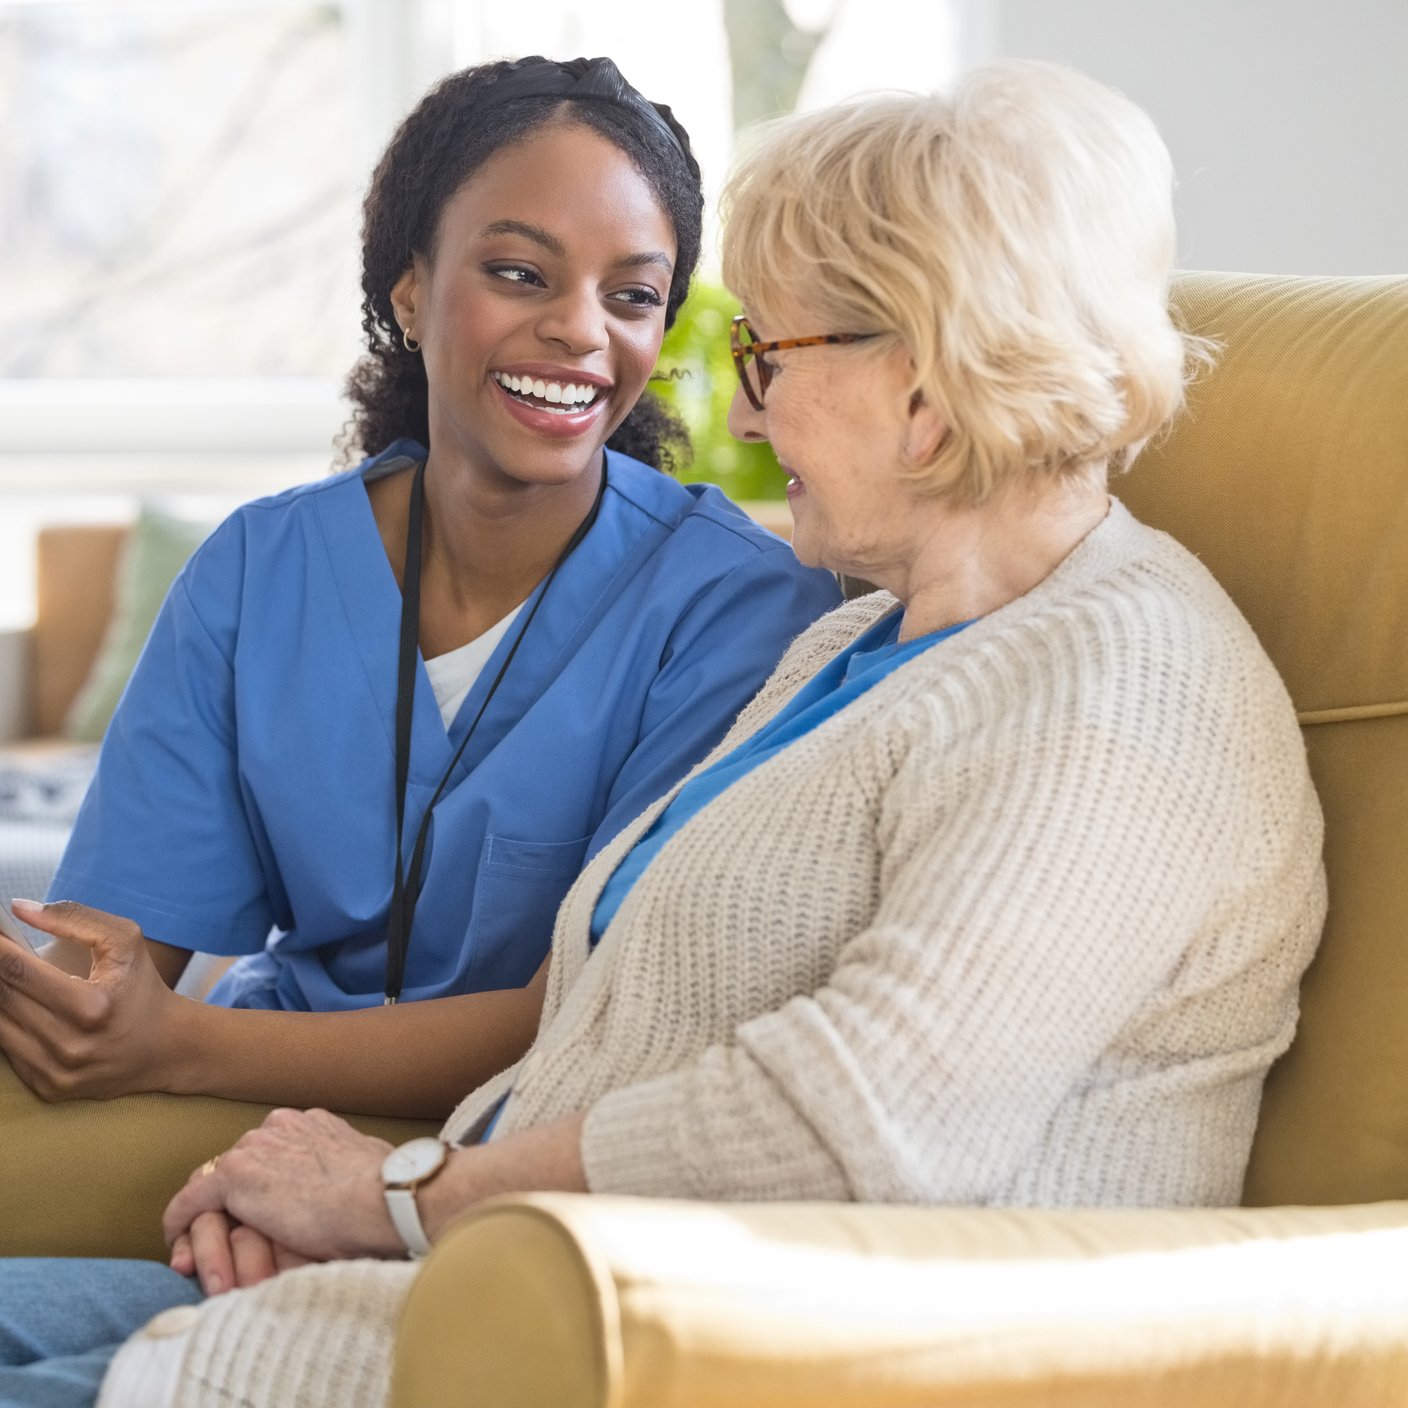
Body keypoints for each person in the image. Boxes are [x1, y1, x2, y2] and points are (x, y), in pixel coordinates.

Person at [0, 60, 1326, 1408]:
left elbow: (850, 1121)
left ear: (926, 379)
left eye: (764, 354)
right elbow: (620, 1027)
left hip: (677, 1343)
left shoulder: (1116, 692)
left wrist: (401, 1192)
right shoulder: (856, 645)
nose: (737, 414)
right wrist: (325, 1188)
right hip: (482, 1286)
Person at [0, 55, 839, 1121]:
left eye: (631, 294)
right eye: (520, 273)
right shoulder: (258, 572)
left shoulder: (744, 612)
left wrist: (184, 1044)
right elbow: (102, 973)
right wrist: (75, 1009)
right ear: (408, 288)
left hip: (518, 1159)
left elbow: (602, 1016)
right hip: (225, 1128)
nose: (582, 329)